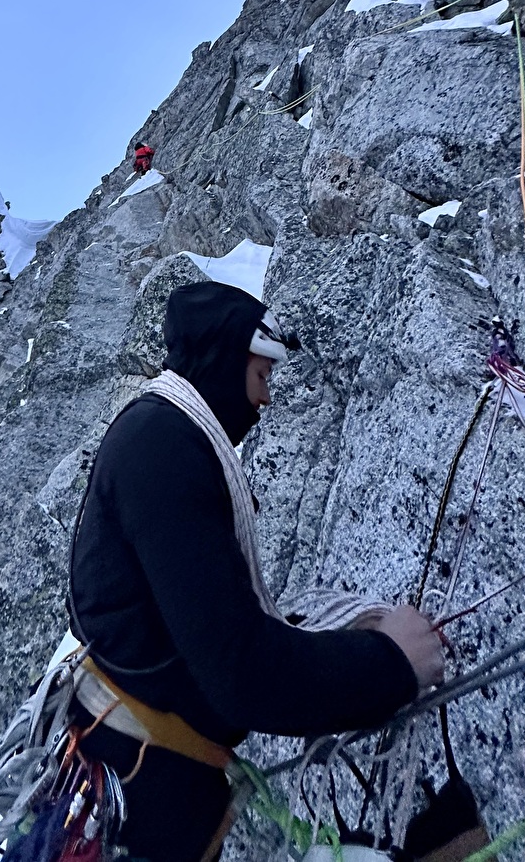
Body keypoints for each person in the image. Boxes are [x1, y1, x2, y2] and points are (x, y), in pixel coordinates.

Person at [67, 281, 444, 862]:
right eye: (263, 376)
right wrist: (394, 663)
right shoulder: (163, 451)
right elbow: (241, 673)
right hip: (147, 796)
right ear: (227, 359)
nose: (265, 401)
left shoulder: (160, 439)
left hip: (142, 783)